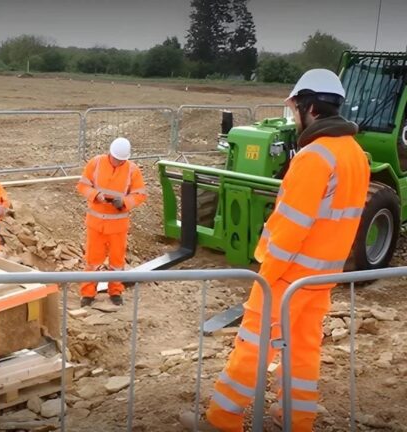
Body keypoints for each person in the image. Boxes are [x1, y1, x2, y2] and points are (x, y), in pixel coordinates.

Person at [180, 69, 370, 431]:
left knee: (254, 345)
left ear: (309, 108)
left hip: (287, 276)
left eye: (295, 109)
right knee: (302, 350)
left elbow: (290, 228)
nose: (294, 117)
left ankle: (222, 420)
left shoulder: (316, 156)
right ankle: (297, 421)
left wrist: (264, 277)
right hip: (321, 277)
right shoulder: (355, 155)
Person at [76, 137, 147, 307]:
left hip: (118, 225)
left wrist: (124, 202)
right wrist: (95, 195)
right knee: (93, 261)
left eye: (121, 160)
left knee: (117, 261)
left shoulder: (132, 170)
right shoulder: (96, 163)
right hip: (96, 224)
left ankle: (115, 291)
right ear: (110, 153)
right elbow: (82, 185)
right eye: (116, 159)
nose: (118, 163)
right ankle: (88, 293)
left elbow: (140, 194)